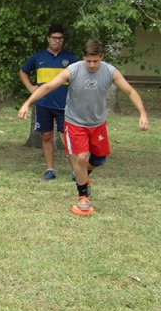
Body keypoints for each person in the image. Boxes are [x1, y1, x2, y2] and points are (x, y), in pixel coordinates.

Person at [18, 40, 149, 215]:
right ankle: (83, 196)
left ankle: (83, 175)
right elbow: (48, 86)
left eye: (96, 61)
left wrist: (142, 113)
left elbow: (130, 91)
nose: (92, 65)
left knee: (100, 159)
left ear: (101, 57)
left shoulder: (109, 71)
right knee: (81, 158)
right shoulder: (73, 70)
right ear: (83, 57)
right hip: (75, 123)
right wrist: (27, 103)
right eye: (89, 61)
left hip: (97, 124)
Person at [20, 24, 79, 181]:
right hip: (43, 104)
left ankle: (76, 171)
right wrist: (30, 87)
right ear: (48, 39)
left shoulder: (71, 59)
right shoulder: (38, 57)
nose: (57, 41)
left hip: (64, 105)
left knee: (68, 137)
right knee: (46, 136)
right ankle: (50, 170)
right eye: (54, 38)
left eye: (60, 39)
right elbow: (23, 71)